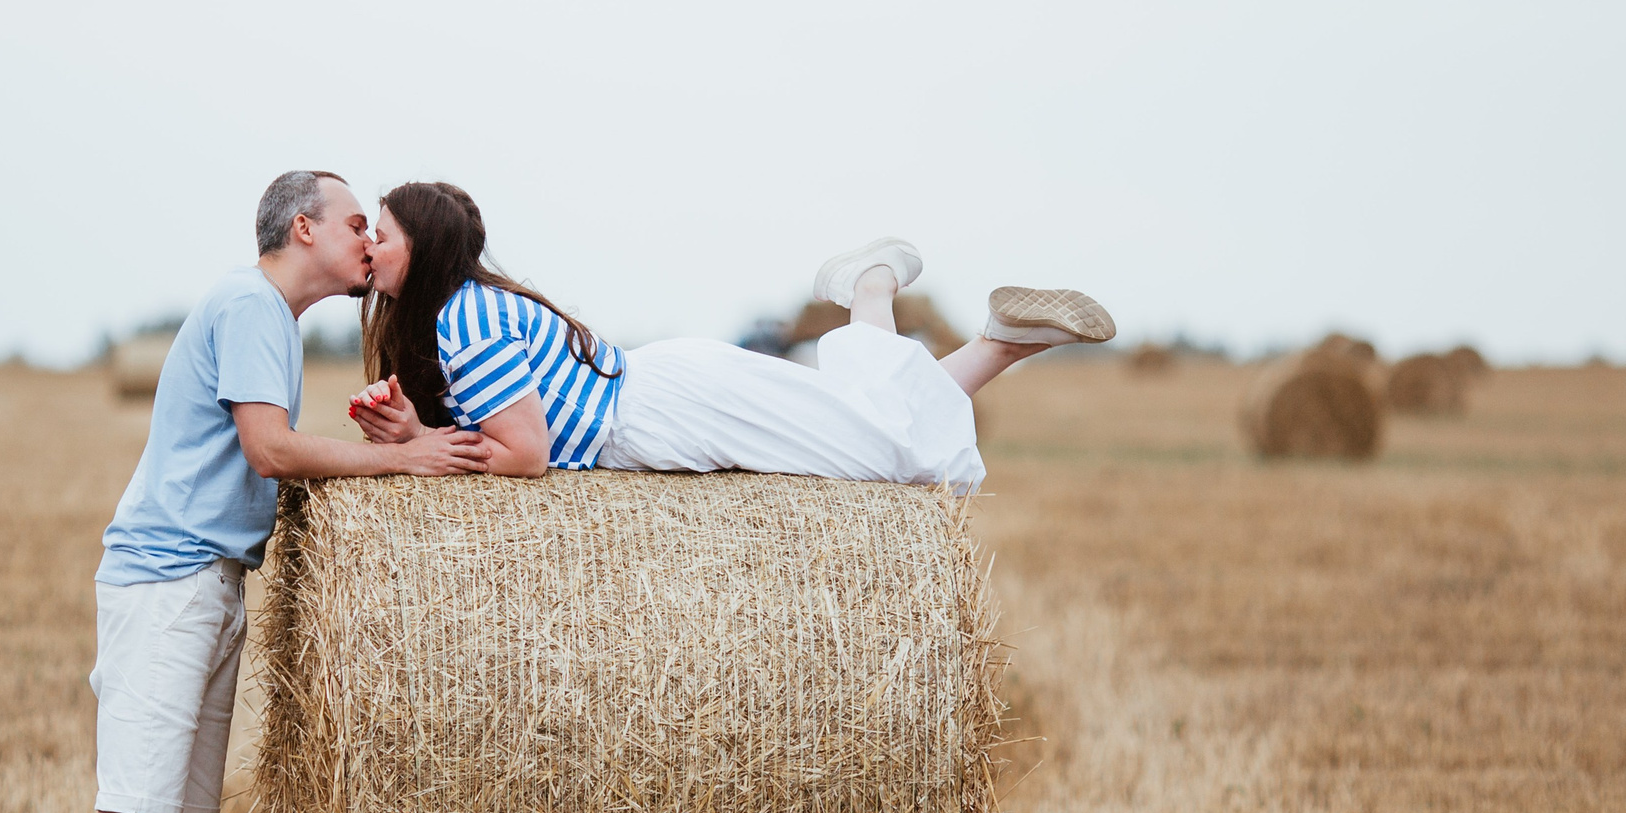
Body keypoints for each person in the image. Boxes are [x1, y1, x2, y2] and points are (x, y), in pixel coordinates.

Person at [68, 170, 489, 813]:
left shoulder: (272, 321)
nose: (369, 242)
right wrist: (407, 462)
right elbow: (270, 449)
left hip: (205, 579)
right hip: (168, 577)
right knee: (131, 802)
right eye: (353, 225)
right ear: (303, 228)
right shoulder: (253, 306)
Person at [347, 181, 1112, 497]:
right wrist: (423, 431)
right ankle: (1002, 342)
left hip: (666, 411)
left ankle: (874, 284)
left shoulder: (464, 318)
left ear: (425, 247)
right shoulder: (468, 311)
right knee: (870, 431)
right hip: (666, 394)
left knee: (882, 454)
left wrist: (423, 456)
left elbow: (526, 453)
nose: (372, 248)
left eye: (382, 235)